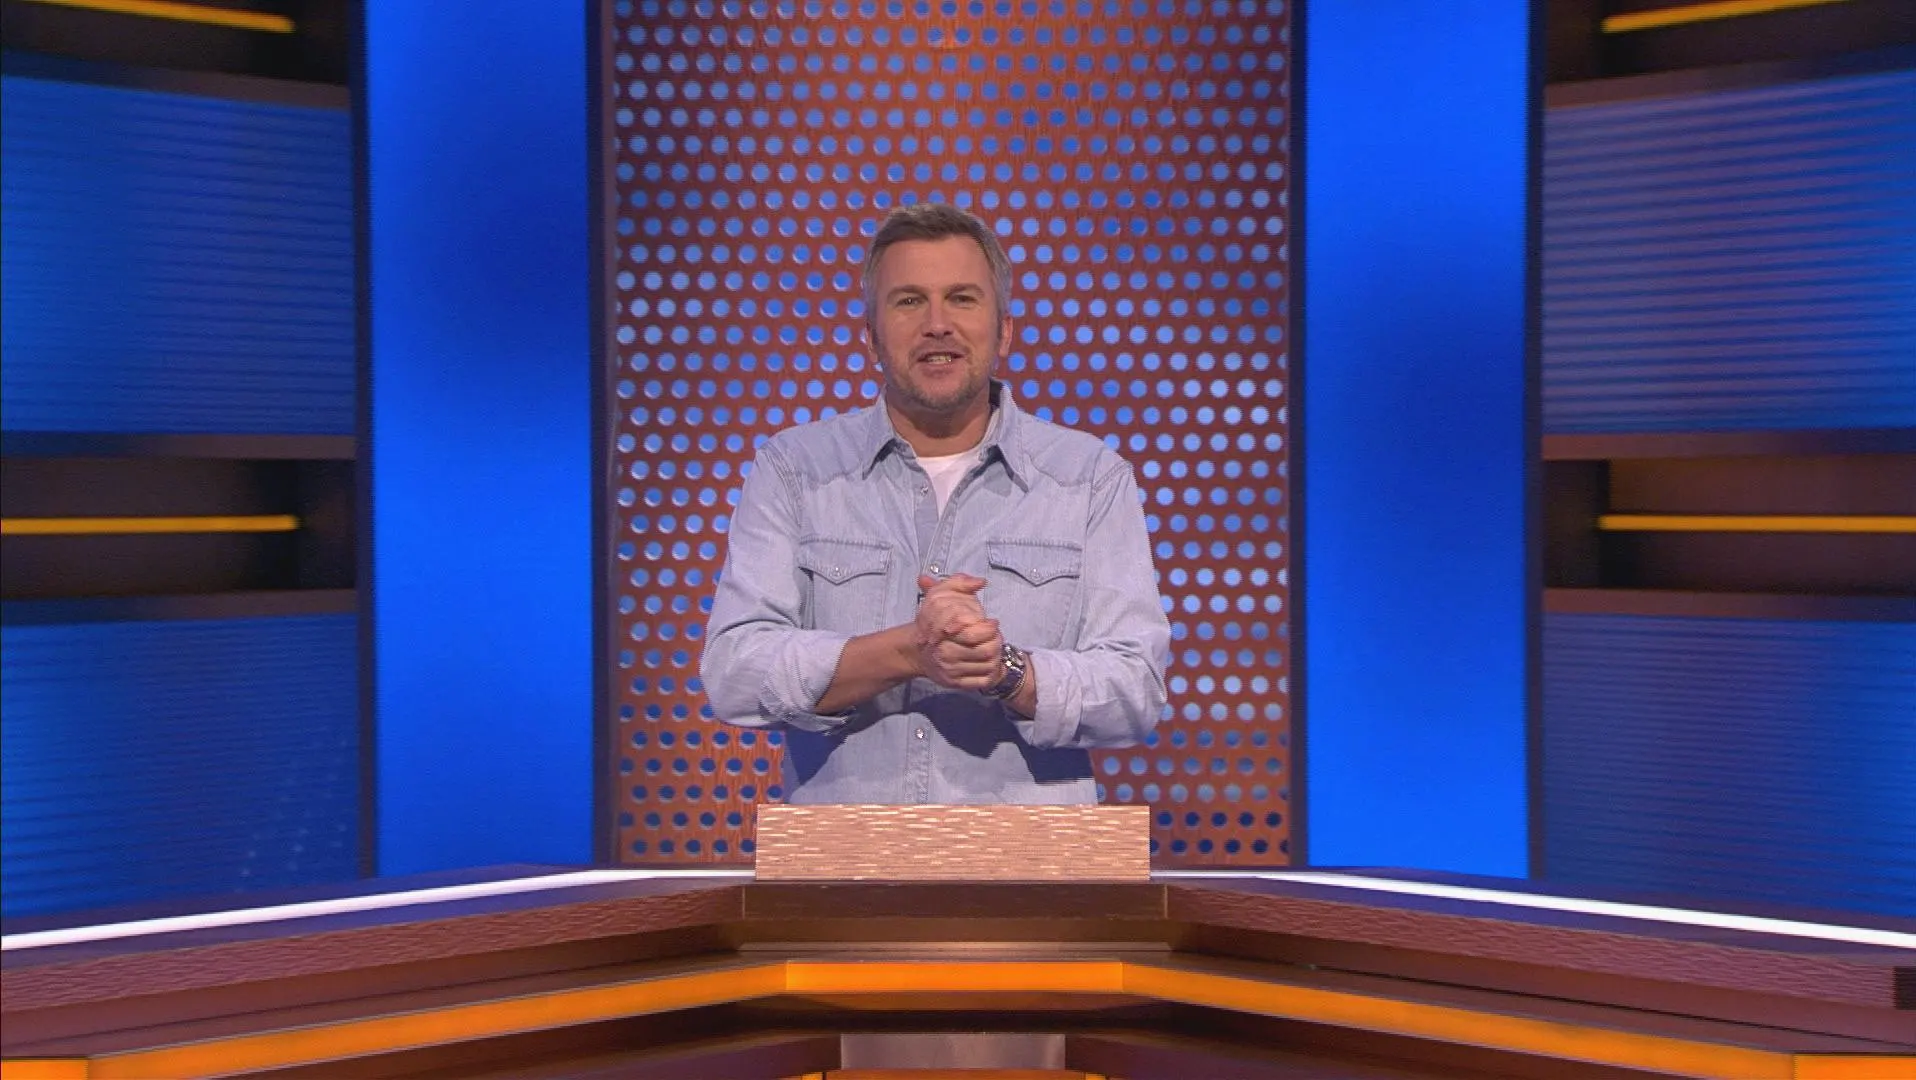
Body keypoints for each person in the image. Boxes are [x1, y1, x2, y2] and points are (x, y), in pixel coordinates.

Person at [700, 202, 1170, 804]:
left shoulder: (1090, 478)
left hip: (1032, 856)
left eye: (962, 299)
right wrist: (906, 651)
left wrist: (1007, 672)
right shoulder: (794, 469)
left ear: (1003, 330)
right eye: (909, 301)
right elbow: (734, 672)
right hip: (845, 856)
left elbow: (1136, 690)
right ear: (871, 336)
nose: (937, 324)